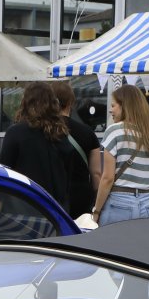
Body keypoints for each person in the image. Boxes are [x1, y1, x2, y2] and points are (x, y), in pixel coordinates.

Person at [90, 83, 149, 226]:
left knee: (111, 241)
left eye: (113, 106)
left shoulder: (114, 131)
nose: (110, 110)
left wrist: (96, 211)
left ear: (125, 106)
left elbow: (107, 178)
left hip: (120, 204)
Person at [0, 82, 72, 208]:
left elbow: (3, 173)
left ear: (25, 103)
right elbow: (67, 177)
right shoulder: (61, 134)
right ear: (53, 104)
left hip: (22, 207)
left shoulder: (15, 133)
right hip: (54, 209)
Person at [48, 79, 102, 218]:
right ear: (71, 102)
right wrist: (97, 204)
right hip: (80, 198)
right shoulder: (87, 132)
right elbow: (96, 173)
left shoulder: (44, 131)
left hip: (50, 196)